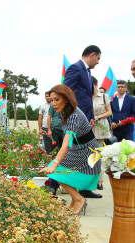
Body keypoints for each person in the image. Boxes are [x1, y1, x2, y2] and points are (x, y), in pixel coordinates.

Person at [39, 85, 101, 215]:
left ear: (66, 99)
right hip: (79, 149)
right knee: (57, 171)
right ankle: (76, 199)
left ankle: (79, 199)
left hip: (88, 151)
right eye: (51, 100)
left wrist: (55, 163)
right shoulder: (67, 112)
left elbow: (66, 143)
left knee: (55, 170)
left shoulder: (73, 115)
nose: (53, 104)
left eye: (57, 100)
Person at [64, 45, 102, 199]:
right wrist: (72, 115)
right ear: (93, 54)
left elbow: (87, 97)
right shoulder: (76, 68)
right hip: (76, 119)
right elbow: (66, 91)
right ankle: (53, 182)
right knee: (71, 151)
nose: (98, 62)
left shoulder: (87, 72)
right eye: (98, 58)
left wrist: (91, 116)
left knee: (90, 153)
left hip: (85, 118)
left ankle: (85, 189)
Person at [92, 76, 112, 190]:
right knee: (89, 156)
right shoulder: (86, 97)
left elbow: (109, 112)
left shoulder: (104, 97)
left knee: (98, 155)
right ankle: (90, 180)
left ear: (95, 84)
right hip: (89, 129)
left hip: (100, 129)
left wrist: (98, 116)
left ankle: (99, 182)